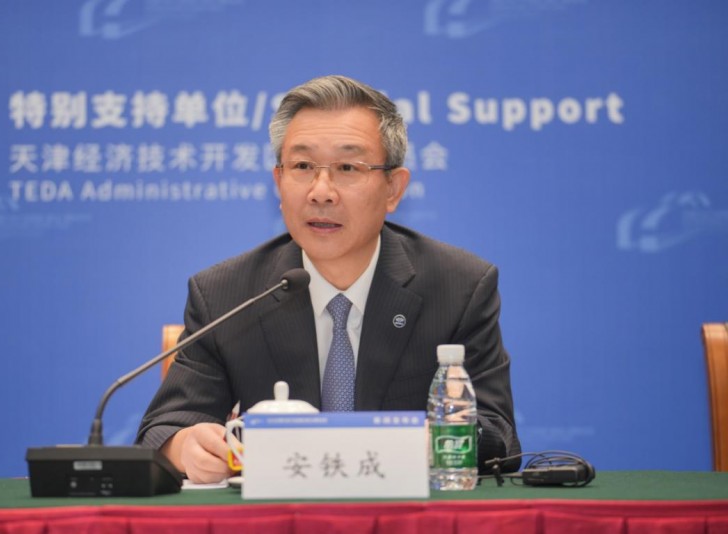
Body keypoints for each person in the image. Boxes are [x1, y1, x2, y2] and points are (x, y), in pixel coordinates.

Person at [137, 75, 521, 482]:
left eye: (348, 167)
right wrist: (186, 447)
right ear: (278, 182)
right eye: (303, 166)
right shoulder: (225, 294)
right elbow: (164, 429)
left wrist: (432, 440)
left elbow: (500, 436)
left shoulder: (458, 287)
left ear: (393, 188)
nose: (321, 192)